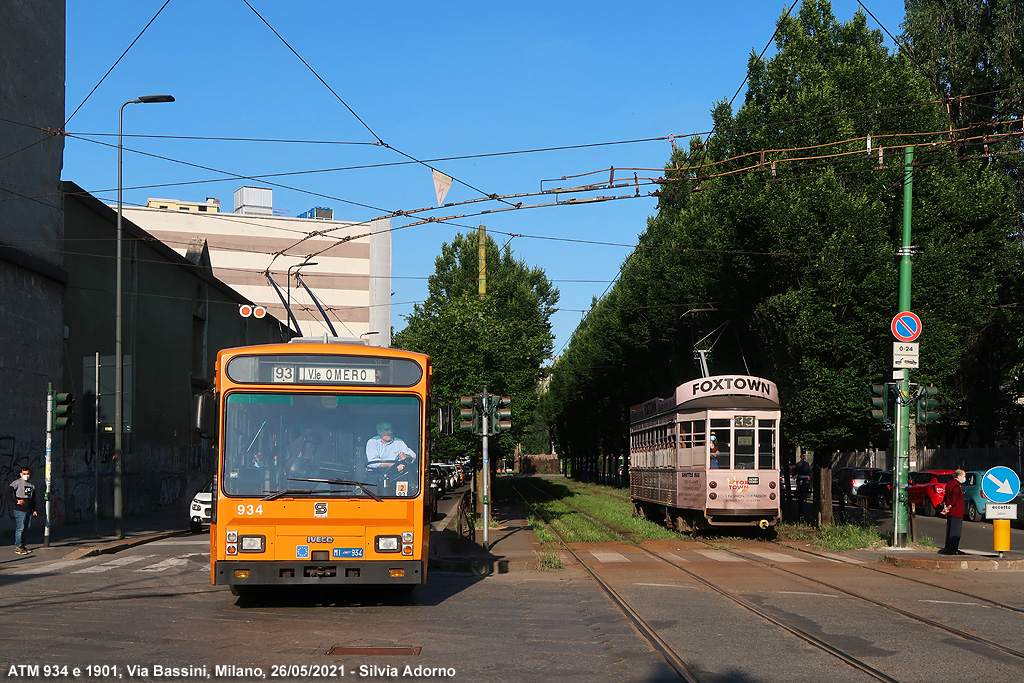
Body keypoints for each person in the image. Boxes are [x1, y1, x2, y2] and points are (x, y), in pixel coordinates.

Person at [6, 466, 39, 555]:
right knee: (20, 528)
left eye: (27, 474)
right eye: (24, 474)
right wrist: (16, 501)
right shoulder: (17, 483)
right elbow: (7, 492)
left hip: (28, 509)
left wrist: (34, 509)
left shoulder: (31, 485)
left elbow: (33, 498)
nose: (26, 476)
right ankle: (18, 546)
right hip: (20, 509)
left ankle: (23, 545)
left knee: (26, 527)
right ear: (21, 474)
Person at [938, 468, 967, 555]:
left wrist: (945, 508)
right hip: (956, 512)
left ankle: (948, 548)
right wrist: (948, 508)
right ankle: (953, 549)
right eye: (964, 476)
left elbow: (945, 497)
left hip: (951, 512)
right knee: (955, 532)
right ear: (958, 476)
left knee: (950, 530)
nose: (964, 478)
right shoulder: (956, 486)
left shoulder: (949, 484)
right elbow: (953, 501)